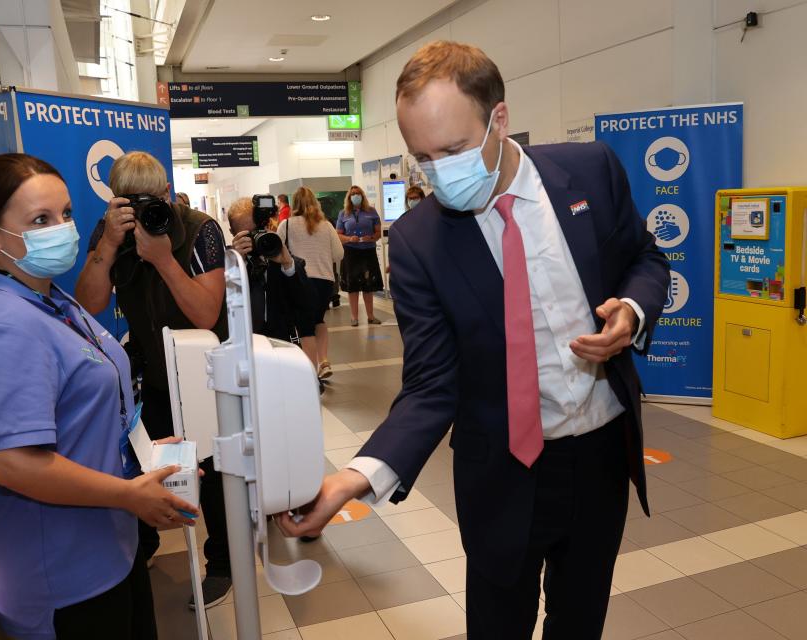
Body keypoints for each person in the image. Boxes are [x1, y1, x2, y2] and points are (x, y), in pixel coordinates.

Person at [278, 41, 670, 640]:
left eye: (455, 150)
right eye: (423, 158)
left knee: (582, 618)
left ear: (500, 119)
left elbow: (645, 258)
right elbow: (432, 385)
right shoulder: (417, 242)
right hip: (503, 473)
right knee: (496, 625)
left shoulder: (590, 170)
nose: (440, 172)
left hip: (600, 456)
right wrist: (354, 478)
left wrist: (633, 311)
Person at [0, 153, 199, 640]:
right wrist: (130, 495)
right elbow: (14, 463)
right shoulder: (6, 326)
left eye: (65, 214)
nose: (61, 228)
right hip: (63, 574)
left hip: (109, 547)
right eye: (40, 220)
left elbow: (85, 407)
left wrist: (144, 457)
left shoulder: (51, 300)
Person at [74, 151, 233, 609]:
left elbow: (206, 313)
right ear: (116, 200)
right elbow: (90, 304)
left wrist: (163, 259)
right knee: (150, 463)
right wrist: (108, 243)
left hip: (204, 368)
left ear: (167, 192)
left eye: (152, 200)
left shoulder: (200, 227)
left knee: (215, 472)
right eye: (131, 201)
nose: (144, 210)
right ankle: (142, 549)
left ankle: (221, 564)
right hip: (153, 370)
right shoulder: (111, 233)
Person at [228, 197, 318, 367]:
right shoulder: (227, 266)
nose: (254, 240)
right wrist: (236, 263)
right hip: (242, 352)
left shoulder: (285, 260)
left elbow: (308, 305)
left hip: (282, 350)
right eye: (247, 236)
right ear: (233, 233)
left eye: (257, 232)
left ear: (267, 226)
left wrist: (287, 264)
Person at [277, 186, 344, 382]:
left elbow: (277, 252)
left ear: (294, 203)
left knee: (305, 327)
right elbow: (339, 254)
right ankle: (323, 362)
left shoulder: (286, 225)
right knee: (318, 320)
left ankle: (310, 375)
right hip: (325, 281)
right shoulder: (327, 226)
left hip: (300, 280)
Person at [335, 186, 383, 326]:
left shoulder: (371, 212)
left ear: (363, 196)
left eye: (358, 194)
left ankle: (371, 316)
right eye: (353, 194)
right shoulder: (343, 214)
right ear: (349, 197)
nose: (356, 196)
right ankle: (354, 317)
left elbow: (378, 233)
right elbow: (338, 234)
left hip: (368, 251)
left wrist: (372, 237)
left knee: (368, 285)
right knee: (353, 286)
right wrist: (349, 239)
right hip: (351, 253)